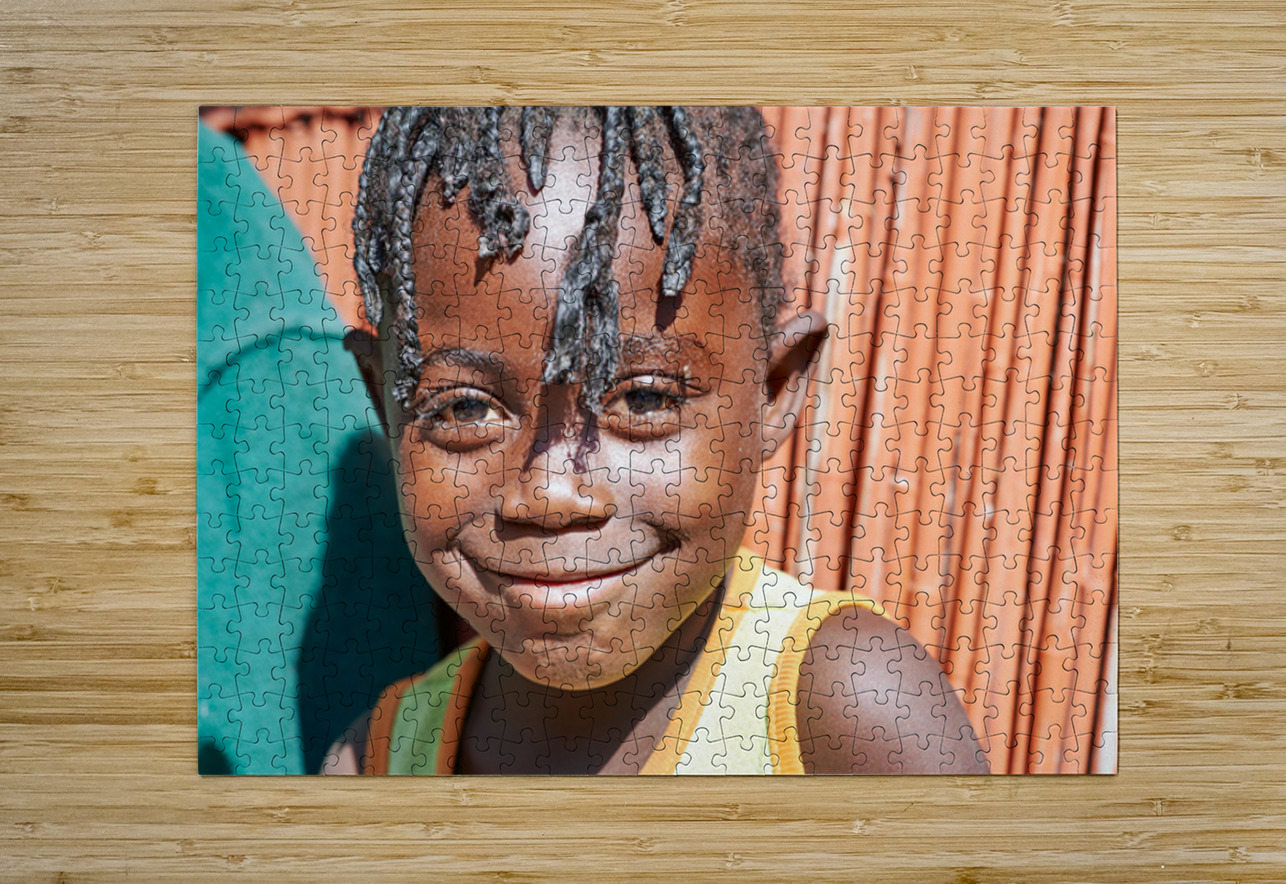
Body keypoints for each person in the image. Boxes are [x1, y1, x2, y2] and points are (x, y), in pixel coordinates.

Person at [323, 106, 987, 775]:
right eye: (464, 408)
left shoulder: (847, 708)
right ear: (385, 399)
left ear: (774, 390)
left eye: (644, 399)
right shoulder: (378, 759)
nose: (550, 496)